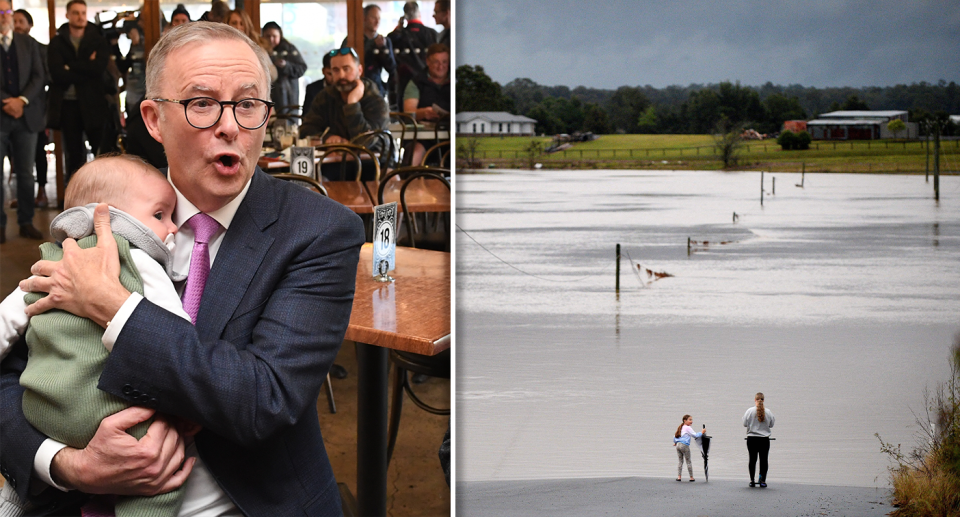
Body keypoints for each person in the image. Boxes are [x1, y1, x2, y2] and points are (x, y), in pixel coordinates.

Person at [0, 21, 365, 516]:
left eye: (248, 104)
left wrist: (111, 305)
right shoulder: (108, 208)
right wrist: (67, 463)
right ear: (153, 119)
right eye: (201, 103)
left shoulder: (318, 231)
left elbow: (265, 398)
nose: (230, 125)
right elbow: (14, 371)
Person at [0, 154, 192, 517]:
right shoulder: (139, 260)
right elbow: (174, 334)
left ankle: (13, 500)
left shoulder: (53, 258)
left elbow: (9, 317)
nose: (172, 228)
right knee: (160, 481)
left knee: (26, 470)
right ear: (111, 215)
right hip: (106, 416)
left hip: (41, 409)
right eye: (160, 215)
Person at [46, 0, 111, 194]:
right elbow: (57, 73)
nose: (80, 17)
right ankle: (75, 198)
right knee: (74, 156)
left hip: (94, 103)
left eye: (83, 13)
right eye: (75, 13)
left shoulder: (97, 39)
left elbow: (99, 68)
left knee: (101, 153)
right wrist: (85, 66)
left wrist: (71, 65)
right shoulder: (57, 42)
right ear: (67, 15)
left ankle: (103, 196)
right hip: (68, 105)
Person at [299, 47, 389, 180]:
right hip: (332, 165)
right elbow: (305, 129)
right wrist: (327, 138)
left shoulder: (374, 99)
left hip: (371, 166)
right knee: (308, 183)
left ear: (359, 70)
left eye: (346, 69)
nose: (341, 76)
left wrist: (352, 104)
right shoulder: (325, 96)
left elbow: (365, 142)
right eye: (336, 70)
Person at [0, 0, 45, 243]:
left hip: (26, 116)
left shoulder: (28, 43)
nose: (4, 16)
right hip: (1, 116)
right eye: (0, 12)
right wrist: (8, 101)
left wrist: (22, 100)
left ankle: (26, 221)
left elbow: (40, 75)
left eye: (7, 11)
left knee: (26, 173)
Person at [12, 8, 49, 209]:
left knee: (36, 156)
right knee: (17, 162)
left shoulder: (39, 48)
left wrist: (24, 99)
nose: (17, 24)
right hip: (8, 112)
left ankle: (40, 193)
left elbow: (43, 77)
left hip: (34, 111)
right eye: (14, 20)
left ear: (29, 25)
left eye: (21, 21)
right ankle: (22, 200)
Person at [403, 43, 449, 165]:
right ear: (427, 61)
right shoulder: (416, 82)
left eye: (444, 62)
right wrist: (423, 113)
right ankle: (408, 181)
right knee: (414, 153)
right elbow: (408, 113)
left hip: (450, 136)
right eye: (436, 62)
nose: (441, 66)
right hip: (424, 137)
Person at [387, 1, 437, 109]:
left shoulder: (396, 37)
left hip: (403, 84)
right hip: (429, 83)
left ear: (404, 15)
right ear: (419, 13)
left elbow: (388, 58)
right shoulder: (432, 34)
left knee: (406, 119)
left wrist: (398, 29)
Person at [340, 4, 395, 99]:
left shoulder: (384, 41)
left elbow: (391, 67)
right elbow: (344, 62)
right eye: (373, 18)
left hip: (376, 89)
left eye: (379, 18)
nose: (377, 22)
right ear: (364, 18)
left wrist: (382, 48)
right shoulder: (352, 40)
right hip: (354, 87)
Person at [261, 21, 306, 122]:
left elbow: (302, 67)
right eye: (268, 36)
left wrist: (286, 66)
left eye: (274, 36)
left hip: (288, 95)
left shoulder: (289, 49)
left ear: (280, 36)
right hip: (268, 94)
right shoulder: (261, 50)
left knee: (289, 123)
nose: (271, 39)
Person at [227, 9, 277, 82]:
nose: (238, 27)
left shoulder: (256, 47)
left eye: (242, 23)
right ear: (227, 24)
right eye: (234, 23)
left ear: (247, 26)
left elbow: (273, 74)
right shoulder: (221, 47)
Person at [743, 392, 775, 488]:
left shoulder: (749, 411)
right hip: (764, 440)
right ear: (763, 400)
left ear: (755, 400)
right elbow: (771, 424)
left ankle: (752, 480)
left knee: (752, 460)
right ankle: (762, 480)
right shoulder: (768, 412)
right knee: (764, 460)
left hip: (752, 439)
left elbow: (745, 423)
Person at [673, 414, 704, 482]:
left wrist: (675, 442)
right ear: (685, 420)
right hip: (684, 445)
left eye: (691, 420)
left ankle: (679, 477)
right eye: (690, 420)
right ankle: (691, 477)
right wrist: (702, 432)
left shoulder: (681, 427)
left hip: (678, 445)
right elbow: (695, 435)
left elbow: (675, 436)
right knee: (688, 461)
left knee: (680, 461)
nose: (691, 421)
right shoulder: (687, 428)